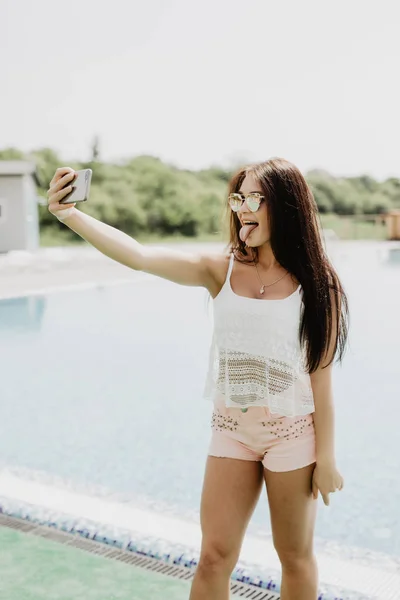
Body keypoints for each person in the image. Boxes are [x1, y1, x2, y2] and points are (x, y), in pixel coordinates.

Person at [47, 157, 348, 600]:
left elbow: (321, 379)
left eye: (256, 198)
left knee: (295, 559)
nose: (244, 208)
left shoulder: (320, 285)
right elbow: (140, 256)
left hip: (292, 434)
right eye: (239, 197)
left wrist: (326, 459)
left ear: (286, 206)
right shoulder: (219, 269)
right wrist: (69, 214)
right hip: (232, 431)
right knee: (212, 557)